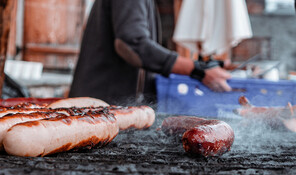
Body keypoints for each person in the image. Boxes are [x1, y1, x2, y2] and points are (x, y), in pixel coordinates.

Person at [68, 0, 232, 105]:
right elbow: (132, 45)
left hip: (107, 108)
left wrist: (203, 66)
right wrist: (196, 69)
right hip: (96, 109)